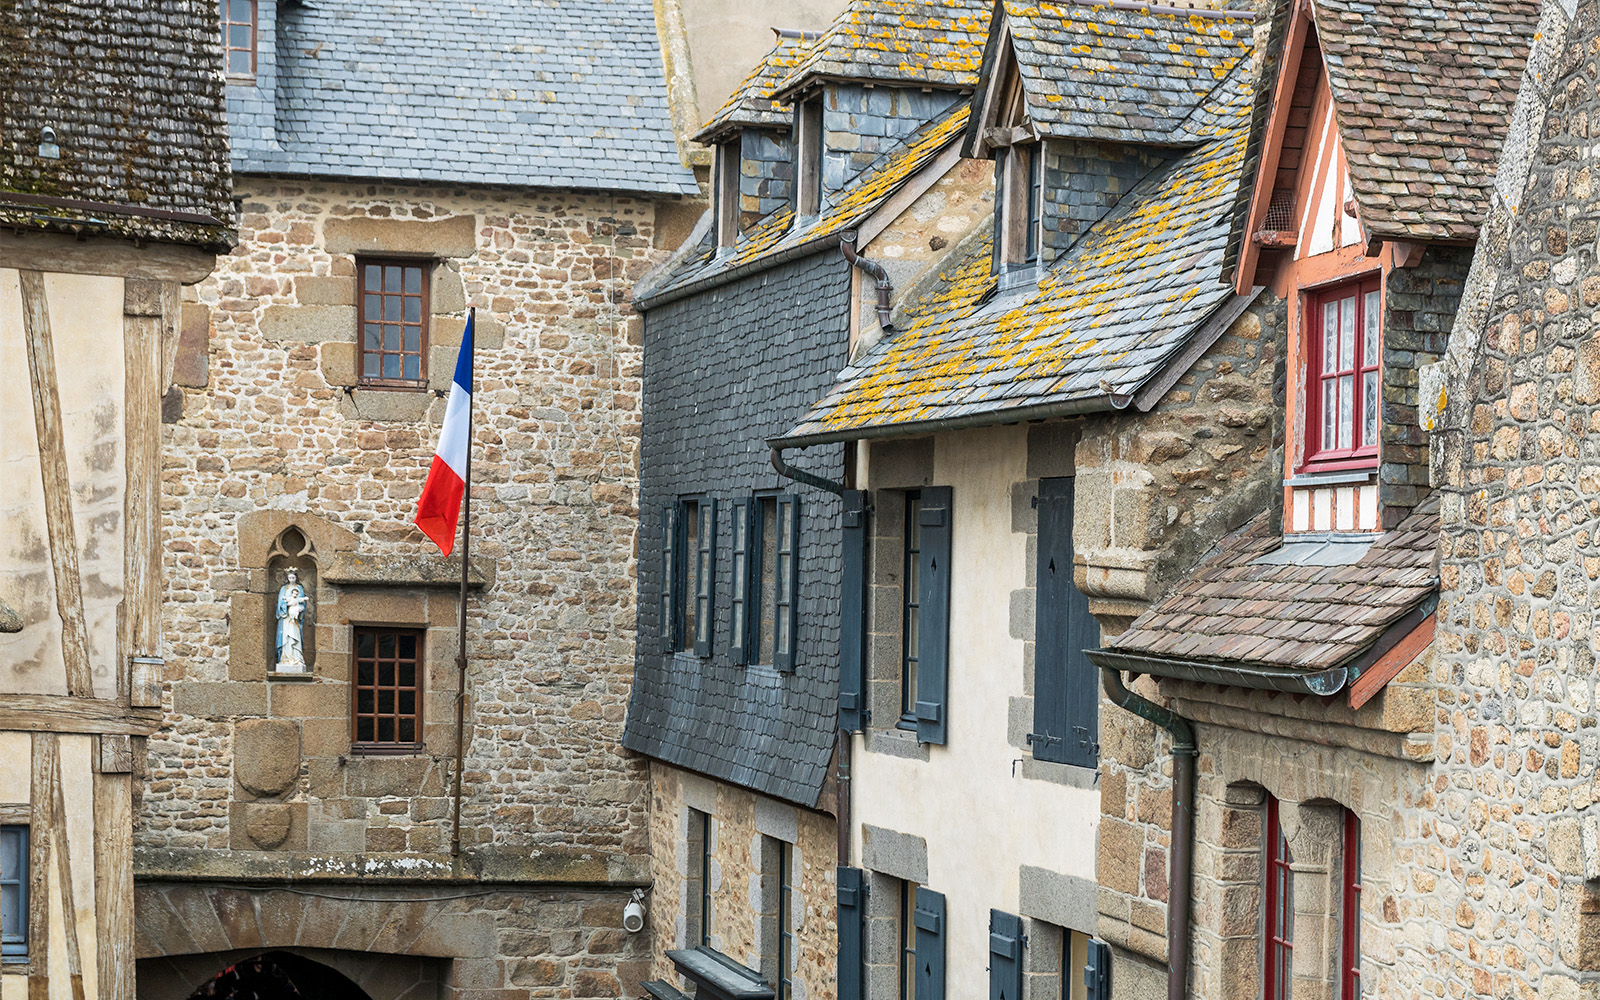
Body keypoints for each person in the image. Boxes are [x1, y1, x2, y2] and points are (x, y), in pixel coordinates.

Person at [275, 568, 308, 672]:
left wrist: (299, 608)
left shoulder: (299, 588)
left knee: (295, 635)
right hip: (286, 618)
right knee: (286, 637)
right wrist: (286, 607)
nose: (291, 579)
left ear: (296, 577)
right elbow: (281, 602)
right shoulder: (284, 589)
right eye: (290, 577)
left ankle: (296, 657)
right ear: (287, 578)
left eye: (293, 577)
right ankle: (285, 658)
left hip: (295, 619)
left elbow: (302, 601)